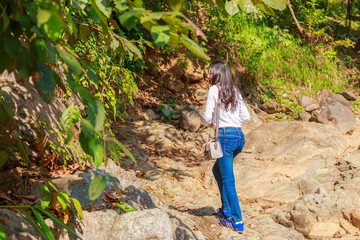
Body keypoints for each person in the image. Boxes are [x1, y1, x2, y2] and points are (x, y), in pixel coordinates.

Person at [203, 60, 250, 232]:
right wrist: (232, 121)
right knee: (217, 170)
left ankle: (237, 221)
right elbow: (246, 117)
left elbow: (207, 117)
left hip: (224, 138)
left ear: (217, 74)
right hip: (239, 137)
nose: (207, 75)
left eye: (210, 72)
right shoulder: (235, 91)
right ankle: (226, 209)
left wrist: (213, 123)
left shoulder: (214, 89)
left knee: (229, 181)